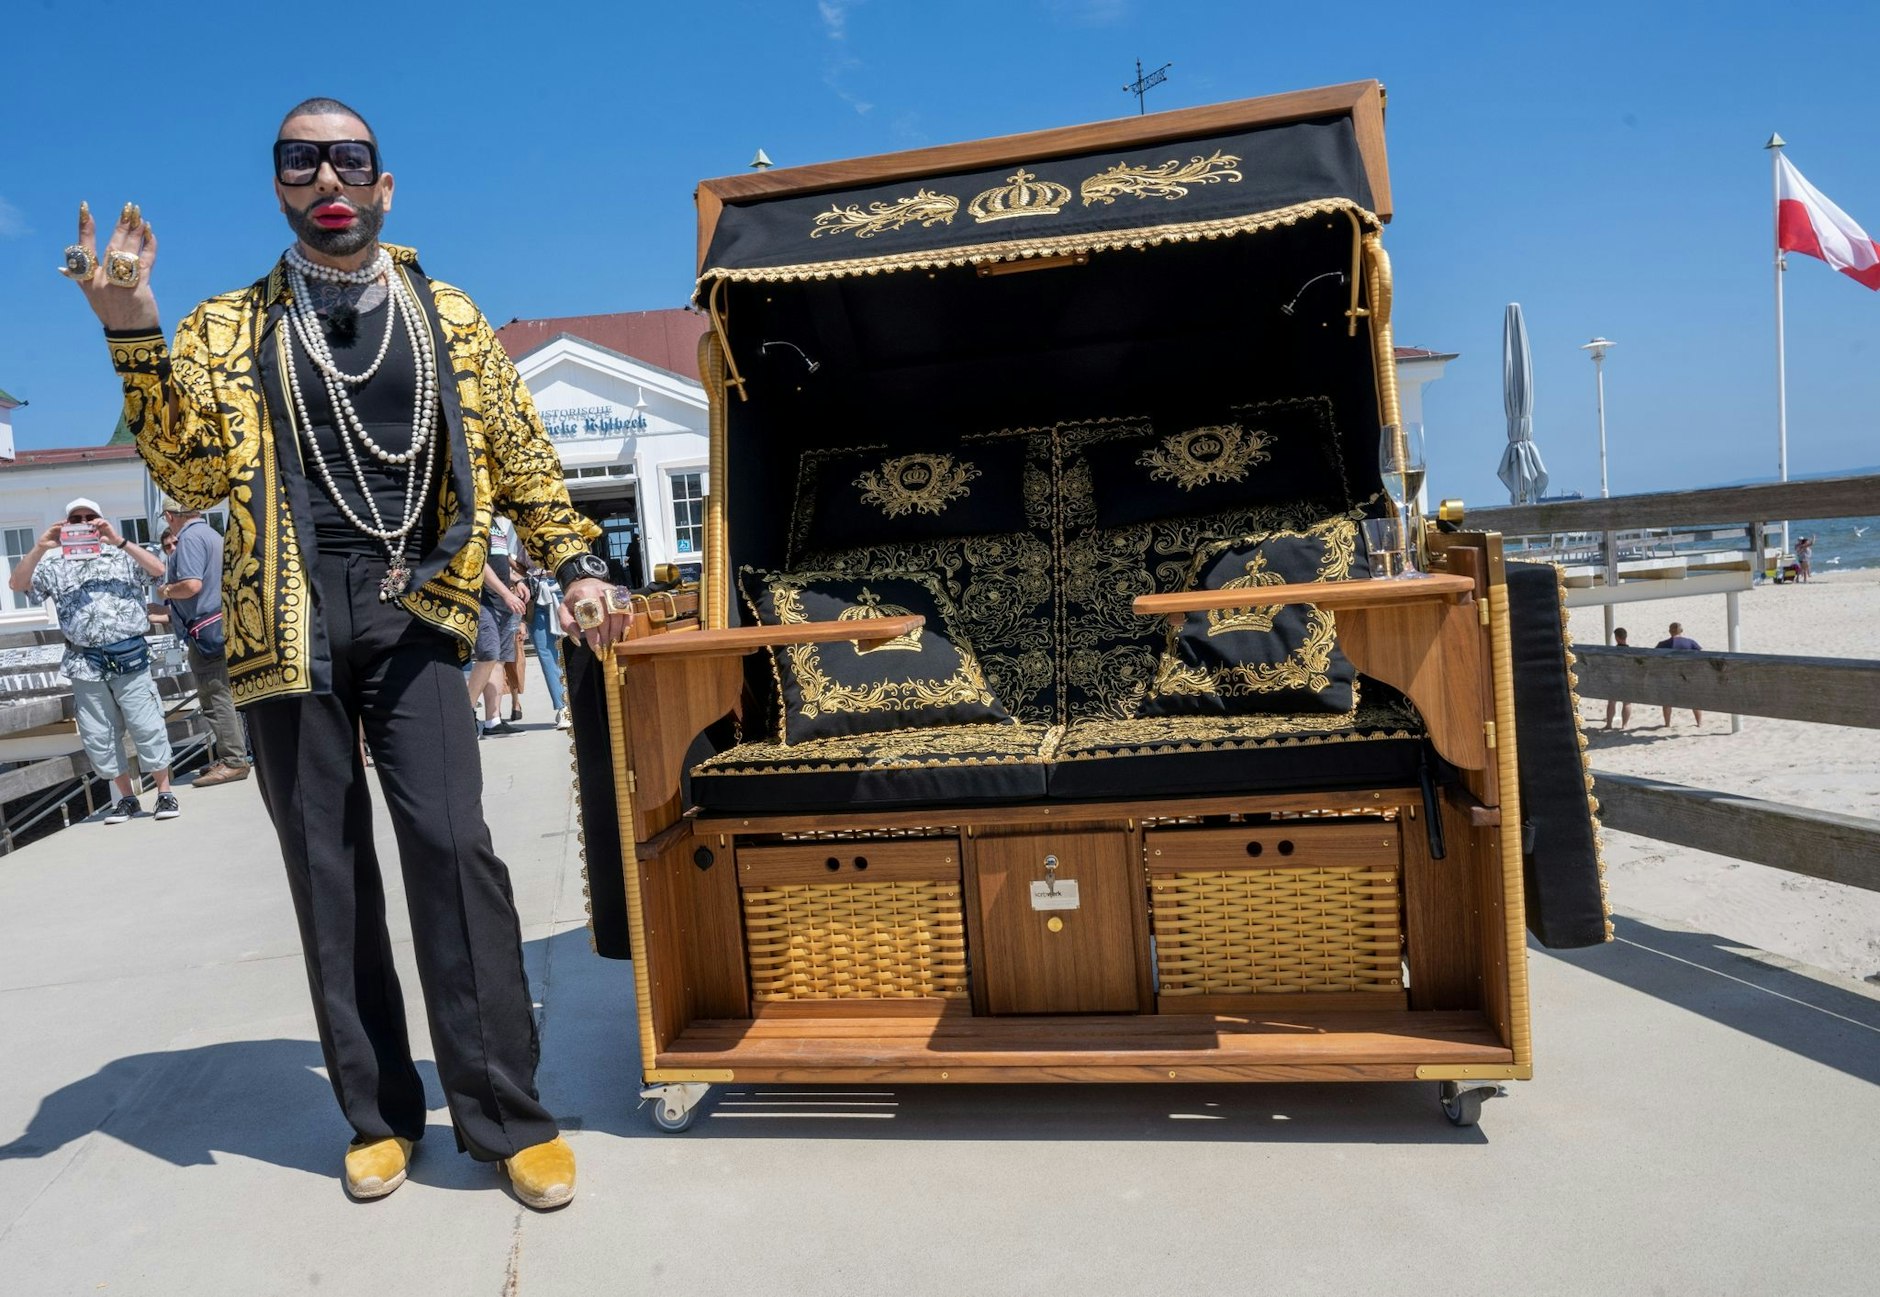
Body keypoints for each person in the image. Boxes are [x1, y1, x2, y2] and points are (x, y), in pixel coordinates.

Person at [66, 96, 635, 1209]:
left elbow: (519, 454)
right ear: (278, 183)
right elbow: (183, 474)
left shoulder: (448, 312)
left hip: (416, 604)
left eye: (349, 157)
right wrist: (130, 318)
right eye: (299, 158)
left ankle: (505, 1114)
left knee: (453, 848)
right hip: (283, 615)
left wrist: (575, 566)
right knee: (327, 872)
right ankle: (376, 1113)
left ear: (383, 183)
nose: (326, 174)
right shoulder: (230, 324)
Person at [8, 499, 180, 824]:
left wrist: (118, 540)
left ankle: (165, 793)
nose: (84, 521)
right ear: (67, 524)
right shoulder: (53, 564)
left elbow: (159, 571)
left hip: (129, 655)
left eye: (91, 517)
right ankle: (127, 799)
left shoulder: (123, 554)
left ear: (100, 521)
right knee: (98, 733)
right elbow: (17, 585)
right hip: (83, 662)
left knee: (147, 724)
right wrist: (41, 546)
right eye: (76, 518)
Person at [156, 502, 250, 785]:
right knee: (221, 694)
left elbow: (192, 586)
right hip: (222, 622)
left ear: (171, 516)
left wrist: (166, 589)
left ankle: (234, 761)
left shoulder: (190, 539)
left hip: (206, 630)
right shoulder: (212, 535)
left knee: (215, 696)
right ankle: (231, 756)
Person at [468, 513, 525, 738]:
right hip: (483, 600)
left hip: (501, 601)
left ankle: (493, 721)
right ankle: (464, 714)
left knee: (499, 659)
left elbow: (497, 563)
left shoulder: (495, 524)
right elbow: (477, 563)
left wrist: (517, 580)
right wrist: (506, 593)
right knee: (489, 654)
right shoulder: (476, 519)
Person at [518, 554, 569, 729]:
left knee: (572, 648)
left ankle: (576, 703)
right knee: (545, 652)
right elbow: (513, 559)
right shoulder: (521, 531)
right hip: (536, 591)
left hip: (563, 586)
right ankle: (562, 706)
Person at [1655, 622, 1704, 727]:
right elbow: (1701, 656)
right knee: (1694, 700)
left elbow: (1655, 659)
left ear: (1669, 631)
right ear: (1681, 631)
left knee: (1667, 701)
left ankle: (1667, 724)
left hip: (1669, 675)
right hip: (1687, 675)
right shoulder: (1690, 643)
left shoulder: (1662, 644)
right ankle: (1699, 722)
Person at [1603, 627, 1634, 730]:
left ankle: (1609, 725)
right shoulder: (1631, 651)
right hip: (1627, 679)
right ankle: (1624, 725)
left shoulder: (1612, 651)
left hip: (1614, 679)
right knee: (1627, 703)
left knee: (1611, 702)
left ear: (1616, 638)